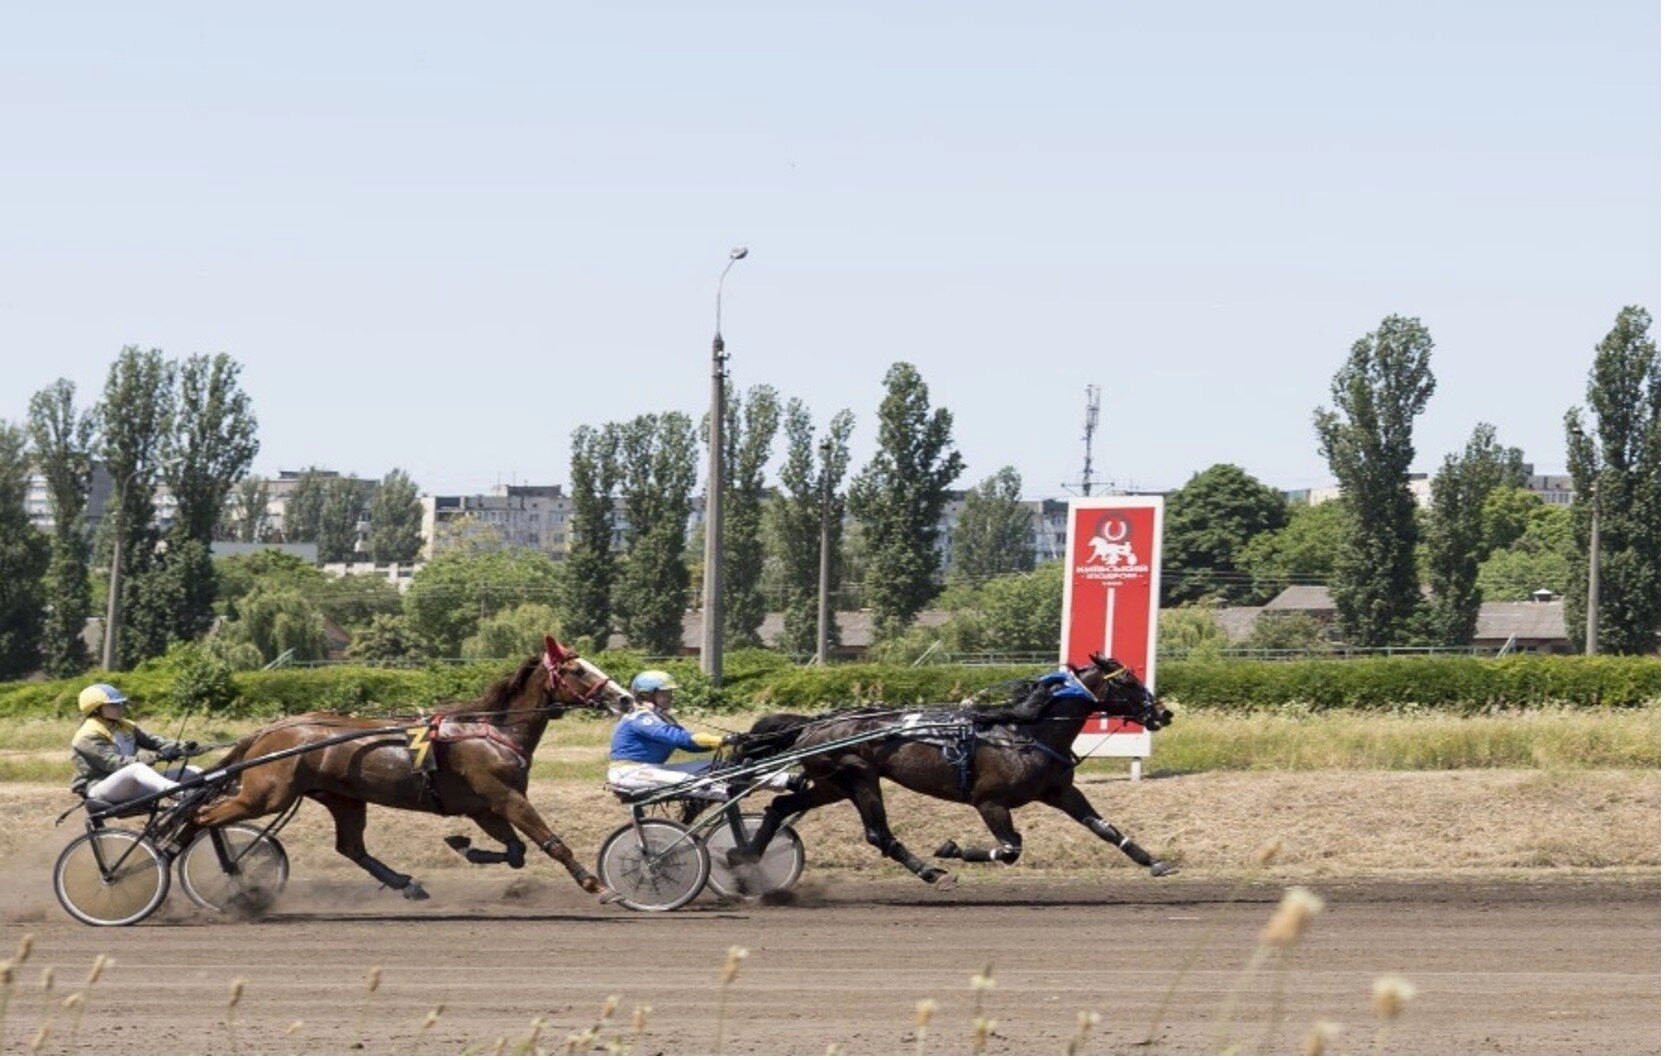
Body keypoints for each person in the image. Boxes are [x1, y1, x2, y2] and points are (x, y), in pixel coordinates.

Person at [607, 671, 799, 799]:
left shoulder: (663, 718)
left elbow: (690, 745)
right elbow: (675, 737)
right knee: (699, 783)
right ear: (647, 695)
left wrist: (727, 742)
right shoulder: (639, 717)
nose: (670, 698)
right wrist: (721, 740)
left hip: (653, 768)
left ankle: (787, 780)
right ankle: (731, 791)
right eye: (665, 694)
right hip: (628, 773)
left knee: (720, 767)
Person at [71, 683, 202, 804]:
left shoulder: (125, 725)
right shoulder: (87, 735)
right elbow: (115, 763)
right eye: (114, 705)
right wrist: (158, 756)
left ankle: (185, 810)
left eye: (121, 704)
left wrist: (186, 747)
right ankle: (182, 794)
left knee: (195, 771)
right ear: (96, 709)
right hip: (100, 789)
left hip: (131, 785)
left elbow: (155, 742)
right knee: (137, 768)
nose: (120, 708)